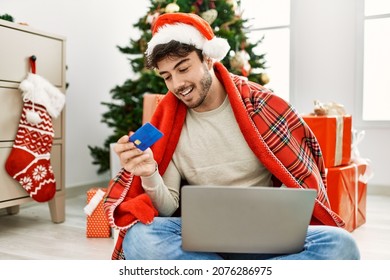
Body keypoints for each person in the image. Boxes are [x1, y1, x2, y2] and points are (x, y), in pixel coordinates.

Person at [104, 12, 360, 260]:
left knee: (341, 245)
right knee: (139, 237)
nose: (177, 84)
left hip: (265, 234)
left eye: (183, 68)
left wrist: (283, 217)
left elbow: (296, 179)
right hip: (201, 240)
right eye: (167, 76)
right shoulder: (168, 124)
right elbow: (168, 208)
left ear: (207, 59)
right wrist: (149, 172)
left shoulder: (262, 105)